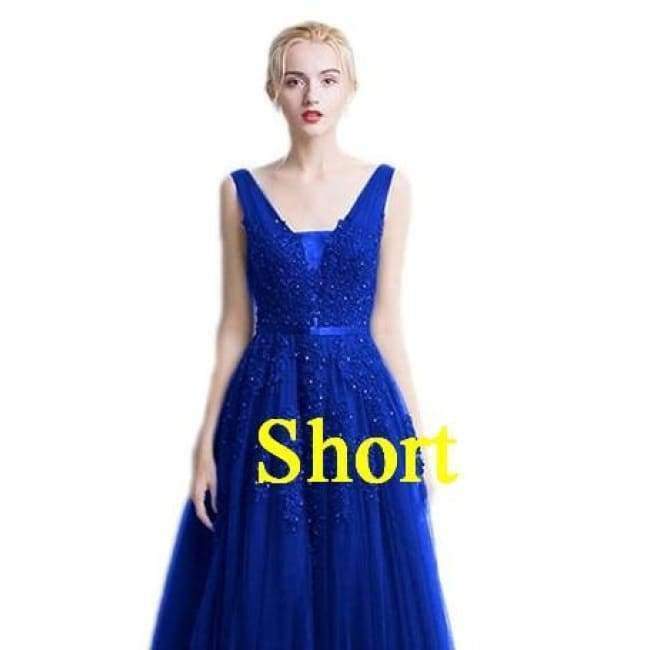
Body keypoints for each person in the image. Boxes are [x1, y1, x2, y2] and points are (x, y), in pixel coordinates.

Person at [151, 20, 455, 649]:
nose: (311, 94)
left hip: (361, 412)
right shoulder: (239, 191)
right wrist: (204, 444)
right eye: (294, 81)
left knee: (358, 575)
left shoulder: (389, 187)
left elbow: (387, 323)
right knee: (270, 575)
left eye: (327, 79)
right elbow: (234, 325)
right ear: (273, 90)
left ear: (350, 89)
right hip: (266, 409)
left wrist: (418, 436)